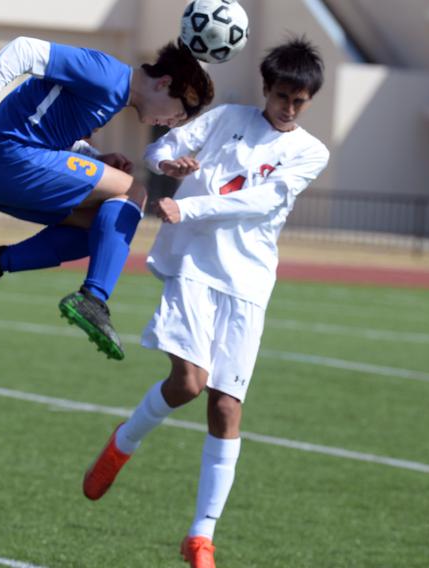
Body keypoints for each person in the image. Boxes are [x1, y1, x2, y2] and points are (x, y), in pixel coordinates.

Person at [82, 38, 330, 567]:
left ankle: (200, 536)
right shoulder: (226, 119)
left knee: (225, 406)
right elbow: (158, 147)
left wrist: (188, 208)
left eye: (299, 101)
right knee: (189, 384)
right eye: (282, 95)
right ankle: (123, 442)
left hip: (248, 283)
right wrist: (171, 162)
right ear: (267, 89)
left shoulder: (310, 151)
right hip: (194, 268)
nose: (288, 108)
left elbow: (261, 200)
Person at [0, 36, 214, 360]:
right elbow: (25, 48)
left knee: (103, 228)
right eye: (177, 115)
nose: (170, 124)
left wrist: (96, 157)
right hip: (8, 160)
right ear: (164, 83)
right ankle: (93, 298)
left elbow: (46, 131)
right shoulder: (107, 74)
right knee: (134, 192)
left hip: (0, 172)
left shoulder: (114, 96)